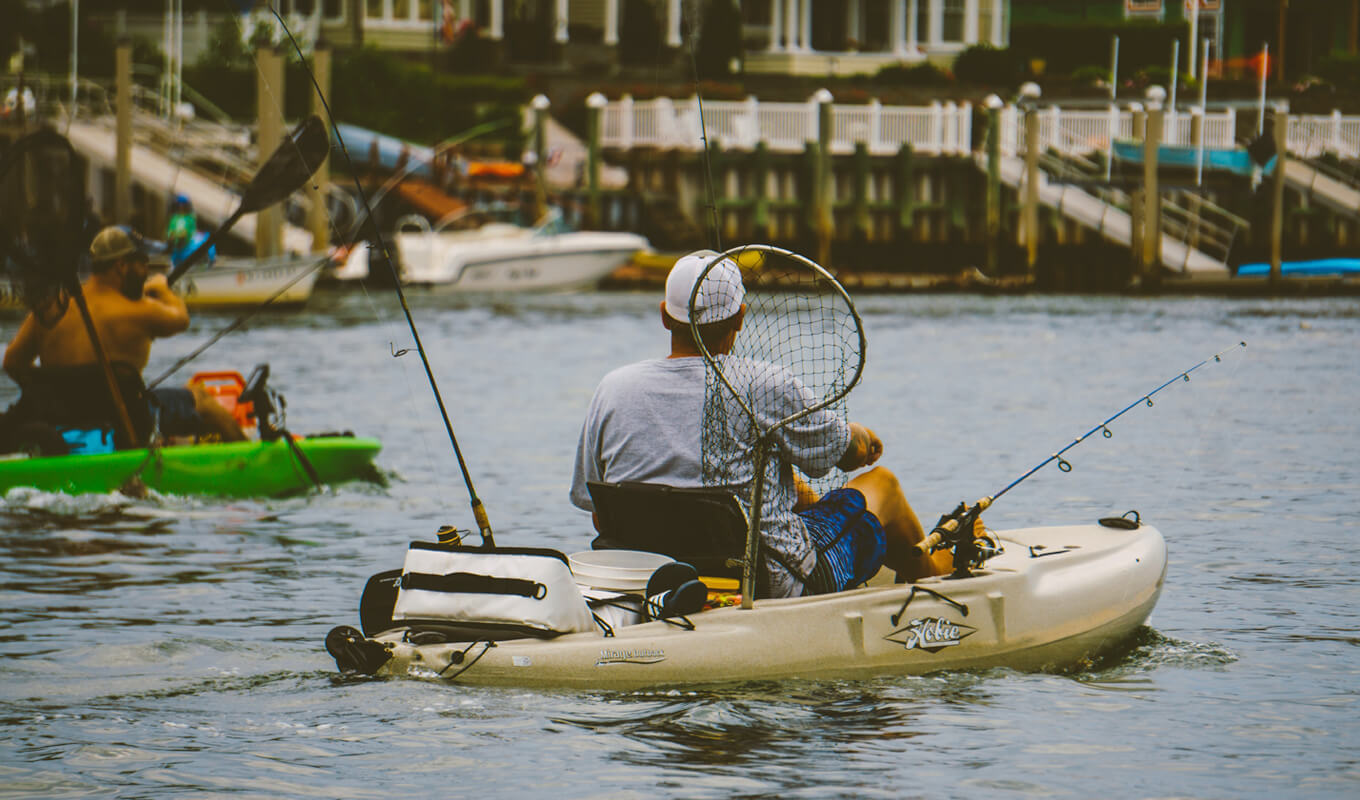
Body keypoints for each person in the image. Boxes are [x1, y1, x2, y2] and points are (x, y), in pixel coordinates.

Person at [570, 251, 953, 599]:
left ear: (665, 316)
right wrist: (863, 437)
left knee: (792, 487)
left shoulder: (613, 388)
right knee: (882, 484)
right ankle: (934, 574)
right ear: (740, 316)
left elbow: (598, 512)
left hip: (645, 581)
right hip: (766, 583)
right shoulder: (765, 384)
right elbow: (849, 458)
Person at [3, 226, 245, 443]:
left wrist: (54, 393)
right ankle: (254, 457)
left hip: (57, 419)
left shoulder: (52, 309)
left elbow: (12, 363)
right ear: (121, 266)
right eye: (142, 263)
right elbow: (180, 319)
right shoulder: (138, 309)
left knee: (168, 399)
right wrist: (162, 289)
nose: (146, 271)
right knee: (200, 397)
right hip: (126, 421)